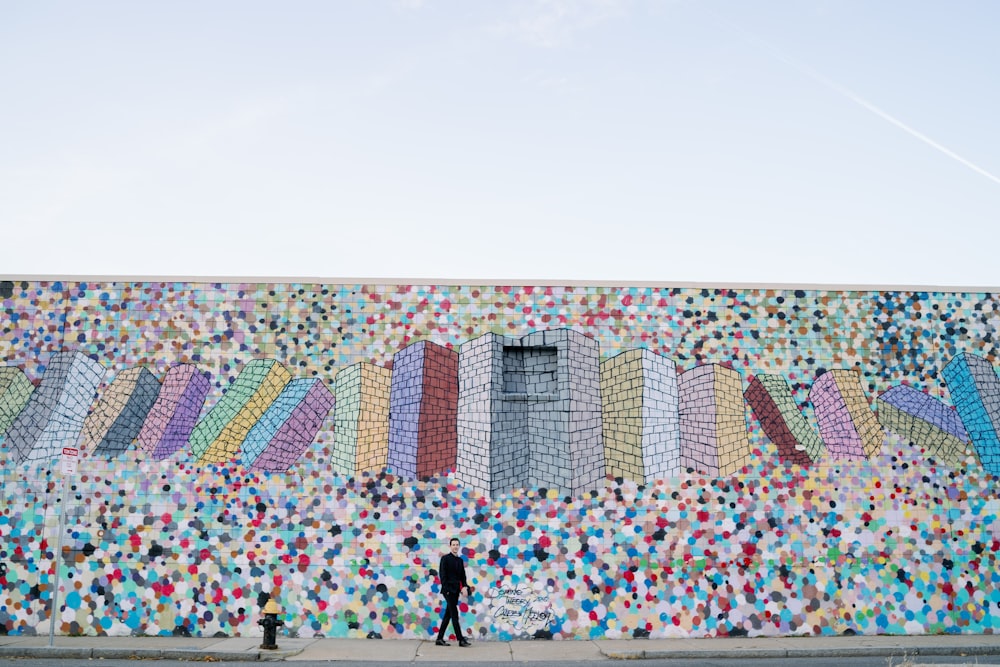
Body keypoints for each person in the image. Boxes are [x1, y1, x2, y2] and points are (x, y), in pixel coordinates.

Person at [435, 537, 472, 647]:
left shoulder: (460, 560)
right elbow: (443, 575)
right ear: (450, 546)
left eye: (457, 545)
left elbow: (462, 576)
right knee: (454, 614)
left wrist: (464, 586)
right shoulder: (445, 559)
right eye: (453, 544)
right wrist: (446, 590)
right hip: (448, 591)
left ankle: (439, 639)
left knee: (448, 615)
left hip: (456, 591)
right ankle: (460, 639)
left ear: (458, 546)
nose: (455, 546)